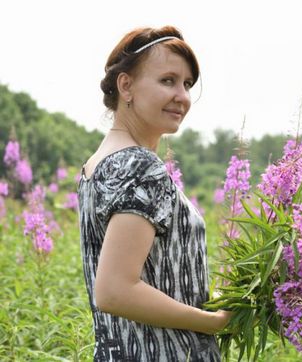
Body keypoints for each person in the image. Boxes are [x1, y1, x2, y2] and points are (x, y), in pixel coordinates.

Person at [77, 25, 231, 361]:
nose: (182, 96)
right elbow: (115, 291)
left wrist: (226, 298)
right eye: (167, 80)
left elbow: (155, 275)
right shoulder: (140, 166)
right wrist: (211, 322)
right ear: (126, 85)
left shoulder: (95, 166)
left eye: (187, 84)